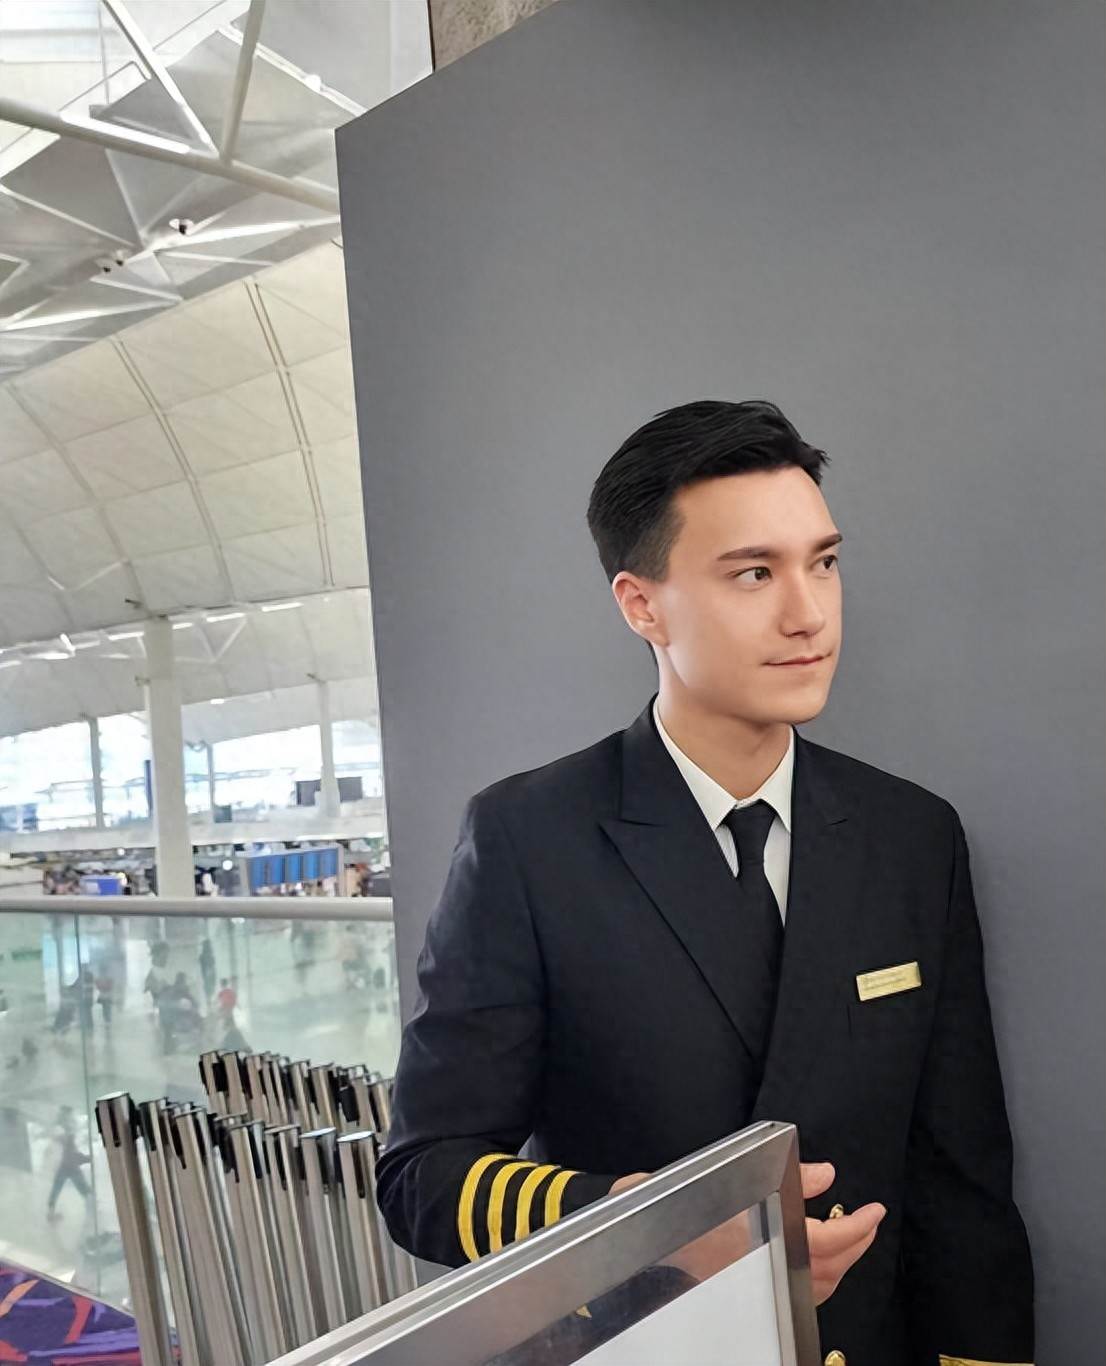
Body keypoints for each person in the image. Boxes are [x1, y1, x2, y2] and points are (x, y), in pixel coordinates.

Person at [375, 401, 1034, 1366]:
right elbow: (423, 1177)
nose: (808, 613)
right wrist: (648, 1228)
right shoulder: (532, 838)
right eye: (754, 573)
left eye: (823, 563)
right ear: (642, 605)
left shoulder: (910, 836)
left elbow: (961, 1178)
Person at [46, 1105, 90, 1220]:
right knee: (83, 1189)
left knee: (58, 1188)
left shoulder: (63, 1130)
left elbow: (70, 1150)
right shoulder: (62, 1131)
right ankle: (92, 1210)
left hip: (66, 1165)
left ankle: (51, 1212)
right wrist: (84, 1158)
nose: (71, 1117)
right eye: (68, 1115)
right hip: (68, 1165)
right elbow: (69, 1152)